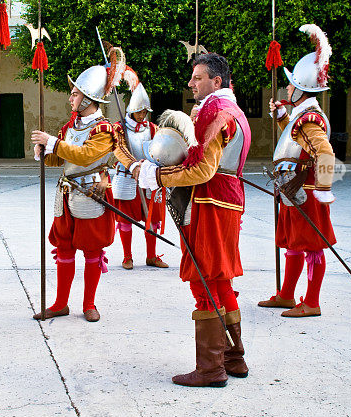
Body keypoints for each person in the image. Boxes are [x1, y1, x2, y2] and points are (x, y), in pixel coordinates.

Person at [136, 53, 252, 387]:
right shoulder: (235, 111)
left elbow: (203, 169)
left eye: (198, 77)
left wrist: (158, 176)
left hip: (210, 202)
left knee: (204, 281)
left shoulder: (215, 111)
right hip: (227, 202)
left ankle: (210, 370)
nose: (191, 83)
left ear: (217, 82)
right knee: (220, 281)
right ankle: (233, 359)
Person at [258, 24, 336, 318]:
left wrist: (325, 190)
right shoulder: (301, 116)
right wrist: (282, 118)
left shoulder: (311, 119)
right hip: (292, 190)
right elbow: (294, 145)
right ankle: (287, 296)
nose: (287, 87)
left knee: (313, 247)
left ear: (301, 89)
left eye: (291, 84)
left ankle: (312, 302)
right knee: (293, 244)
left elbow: (324, 152)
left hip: (306, 192)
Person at [31, 63, 117, 323]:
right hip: (66, 193)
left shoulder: (103, 129)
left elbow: (84, 156)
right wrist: (45, 152)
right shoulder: (69, 127)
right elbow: (61, 161)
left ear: (88, 99)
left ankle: (89, 303)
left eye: (75, 94)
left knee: (92, 250)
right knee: (64, 248)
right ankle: (60, 303)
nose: (70, 98)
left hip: (92, 192)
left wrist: (53, 143)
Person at [112, 79, 168, 270]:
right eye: (139, 111)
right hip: (127, 178)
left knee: (153, 220)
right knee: (126, 219)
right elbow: (119, 150)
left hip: (148, 178)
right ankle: (127, 256)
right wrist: (133, 164)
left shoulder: (152, 128)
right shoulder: (119, 128)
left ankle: (151, 256)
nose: (142, 115)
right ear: (130, 110)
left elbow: (159, 149)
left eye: (145, 112)